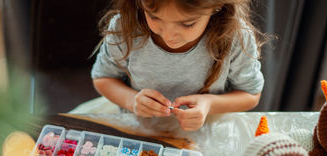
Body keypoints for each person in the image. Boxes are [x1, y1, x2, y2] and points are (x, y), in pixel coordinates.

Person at [89, 0, 267, 131]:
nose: (169, 36)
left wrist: (209, 104)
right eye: (154, 17)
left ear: (216, 6)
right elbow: (103, 78)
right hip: (140, 128)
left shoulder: (236, 37)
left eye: (187, 23)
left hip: (208, 131)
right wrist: (132, 101)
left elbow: (250, 94)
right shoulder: (124, 27)